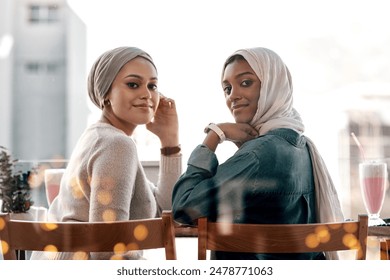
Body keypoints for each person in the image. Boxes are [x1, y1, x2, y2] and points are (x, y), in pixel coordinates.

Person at [172, 47, 344, 260]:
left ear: (273, 85)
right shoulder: (302, 147)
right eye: (227, 88)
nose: (233, 96)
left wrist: (214, 135)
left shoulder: (257, 156)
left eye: (245, 83)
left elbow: (183, 208)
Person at [31, 46, 182, 260]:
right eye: (133, 84)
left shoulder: (100, 137)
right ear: (106, 94)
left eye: (152, 85)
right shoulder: (115, 144)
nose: (147, 94)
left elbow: (164, 209)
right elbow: (107, 249)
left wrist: (170, 142)